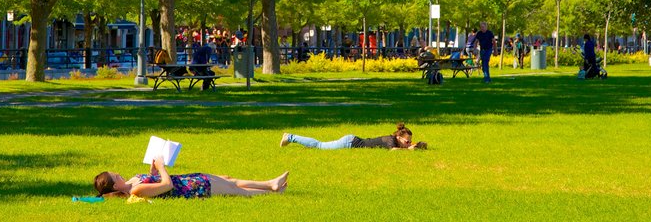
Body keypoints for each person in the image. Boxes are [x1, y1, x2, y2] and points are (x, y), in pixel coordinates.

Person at [94, 156, 287, 199]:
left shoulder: (131, 182)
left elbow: (153, 179)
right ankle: (272, 189)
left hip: (188, 180)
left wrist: (153, 170)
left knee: (230, 180)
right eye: (115, 176)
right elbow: (166, 185)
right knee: (235, 190)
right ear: (115, 187)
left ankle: (271, 185)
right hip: (190, 188)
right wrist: (162, 167)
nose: (118, 173)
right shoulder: (135, 190)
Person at [279, 123, 427, 151]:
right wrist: (409, 150)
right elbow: (393, 151)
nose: (408, 144)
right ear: (399, 137)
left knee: (319, 146)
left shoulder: (393, 140)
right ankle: (291, 137)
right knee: (319, 145)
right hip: (349, 143)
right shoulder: (390, 140)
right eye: (407, 142)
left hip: (351, 141)